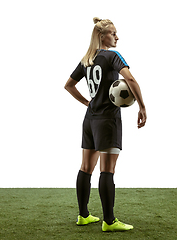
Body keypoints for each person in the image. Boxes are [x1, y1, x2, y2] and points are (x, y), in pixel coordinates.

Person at [64, 17, 147, 232]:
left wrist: (86, 103)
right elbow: (131, 80)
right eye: (113, 33)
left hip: (89, 120)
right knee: (107, 170)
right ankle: (109, 221)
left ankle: (83, 215)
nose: (117, 36)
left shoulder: (87, 60)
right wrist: (142, 107)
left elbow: (69, 85)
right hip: (108, 121)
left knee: (85, 168)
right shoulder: (112, 56)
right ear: (102, 36)